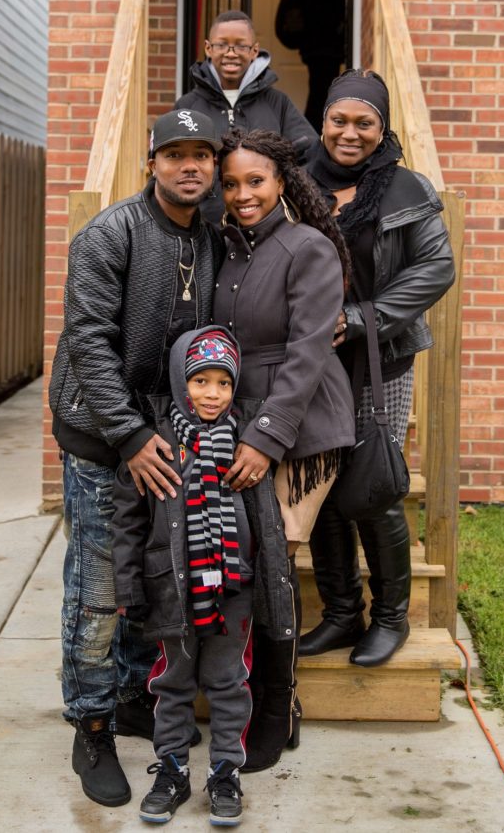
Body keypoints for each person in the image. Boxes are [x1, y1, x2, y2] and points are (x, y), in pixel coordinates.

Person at [48, 109, 224, 808]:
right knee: (96, 591)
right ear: (151, 161)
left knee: (143, 582)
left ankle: (127, 698)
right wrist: (128, 436)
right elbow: (89, 340)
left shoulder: (208, 238)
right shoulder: (110, 233)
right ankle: (89, 725)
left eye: (202, 155)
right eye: (175, 154)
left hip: (162, 438)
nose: (190, 166)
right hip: (103, 439)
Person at [298, 70, 455, 667]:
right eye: (340, 119)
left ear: (382, 127)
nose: (350, 133)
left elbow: (435, 268)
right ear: (324, 120)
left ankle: (391, 619)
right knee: (323, 483)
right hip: (313, 360)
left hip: (379, 357)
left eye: (365, 122)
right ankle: (342, 614)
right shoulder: (298, 182)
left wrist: (365, 318)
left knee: (375, 483)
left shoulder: (405, 189)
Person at [212, 128, 355, 772]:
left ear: (281, 182)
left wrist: (266, 439)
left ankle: (279, 705)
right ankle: (249, 694)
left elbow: (307, 355)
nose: (243, 194)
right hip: (236, 418)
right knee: (242, 555)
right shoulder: (226, 249)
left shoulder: (310, 248)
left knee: (277, 556)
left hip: (304, 424)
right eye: (232, 182)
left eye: (256, 181)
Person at [112, 325, 294, 827]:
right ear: (180, 382)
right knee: (172, 681)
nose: (212, 394)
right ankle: (171, 768)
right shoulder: (155, 444)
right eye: (200, 381)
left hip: (232, 586)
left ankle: (224, 772)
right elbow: (127, 519)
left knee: (229, 680)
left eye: (223, 383)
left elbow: (267, 525)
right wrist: (127, 585)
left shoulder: (246, 442)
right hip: (172, 585)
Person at [175, 9, 316, 221]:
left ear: (254, 51)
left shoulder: (277, 103)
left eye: (241, 45)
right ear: (208, 48)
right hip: (203, 226)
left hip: (265, 227)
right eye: (221, 45)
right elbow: (171, 162)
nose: (231, 53)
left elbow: (310, 152)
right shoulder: (187, 106)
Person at [296, 0, 347, 132]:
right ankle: (311, 137)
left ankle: (313, 136)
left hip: (319, 48)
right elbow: (321, 12)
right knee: (321, 95)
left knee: (321, 93)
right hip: (322, 48)